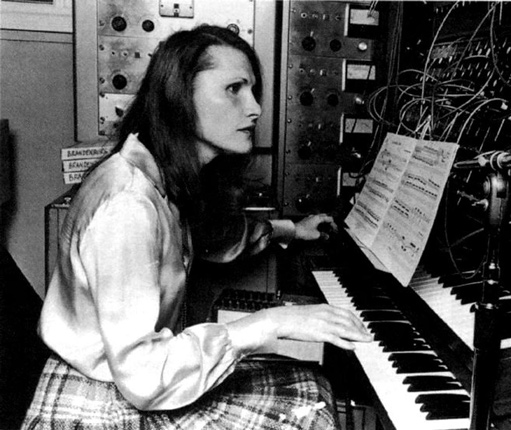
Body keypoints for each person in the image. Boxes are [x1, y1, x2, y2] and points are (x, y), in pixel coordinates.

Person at [22, 24, 372, 429]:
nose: (255, 108)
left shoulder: (156, 172)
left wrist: (291, 230)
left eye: (253, 90)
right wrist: (271, 322)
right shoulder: (128, 206)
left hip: (125, 377)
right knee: (310, 416)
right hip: (106, 396)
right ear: (180, 97)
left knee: (310, 382)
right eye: (233, 89)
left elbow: (213, 237)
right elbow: (143, 377)